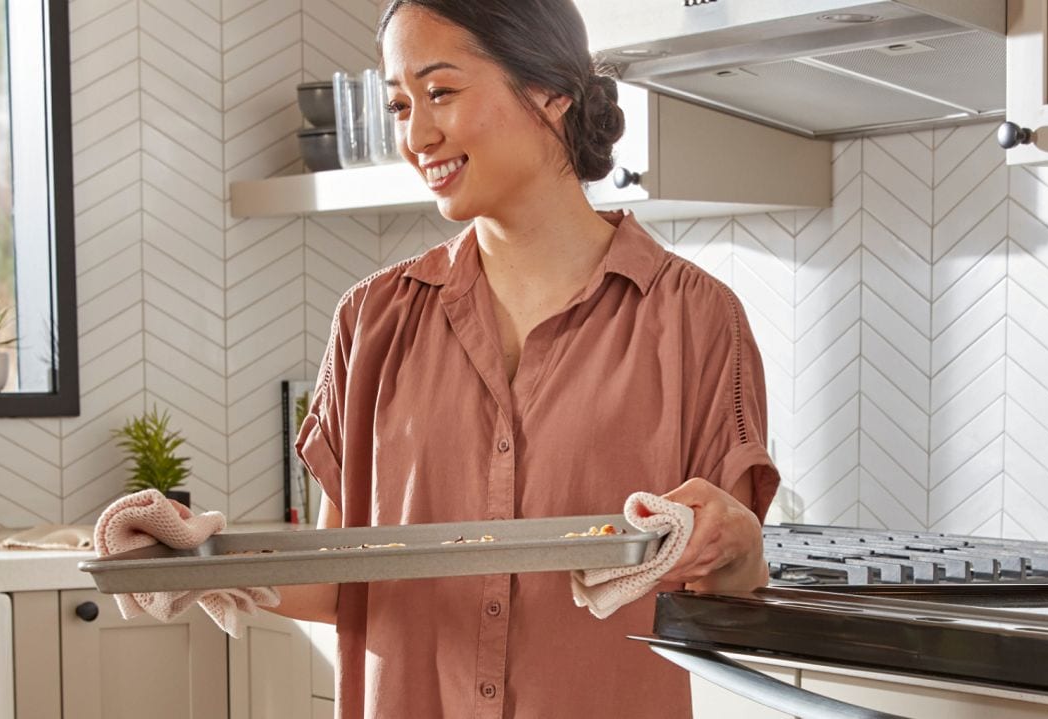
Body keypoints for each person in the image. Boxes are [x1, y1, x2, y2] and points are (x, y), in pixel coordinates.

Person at [269, 0, 780, 717]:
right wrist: (192, 560)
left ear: (549, 90)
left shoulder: (693, 317)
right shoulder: (372, 319)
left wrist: (737, 543)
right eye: (398, 104)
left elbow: (729, 592)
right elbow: (337, 580)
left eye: (440, 91)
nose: (416, 135)